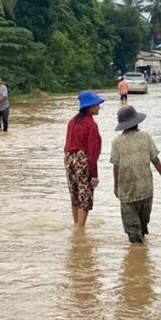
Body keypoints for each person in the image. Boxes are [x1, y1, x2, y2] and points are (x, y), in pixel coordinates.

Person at [110, 105, 161, 244]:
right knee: (142, 227)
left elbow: (116, 166)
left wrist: (115, 186)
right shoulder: (145, 137)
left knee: (133, 232)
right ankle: (143, 255)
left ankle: (137, 258)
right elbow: (155, 159)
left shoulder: (116, 142)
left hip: (127, 191)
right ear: (136, 121)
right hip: (146, 190)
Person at [65, 90, 104, 227]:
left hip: (69, 159)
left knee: (74, 194)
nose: (99, 107)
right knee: (85, 197)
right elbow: (93, 153)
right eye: (96, 104)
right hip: (83, 160)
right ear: (89, 107)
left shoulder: (72, 121)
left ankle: (76, 224)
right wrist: (94, 175)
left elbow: (67, 144)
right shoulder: (91, 125)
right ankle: (80, 232)